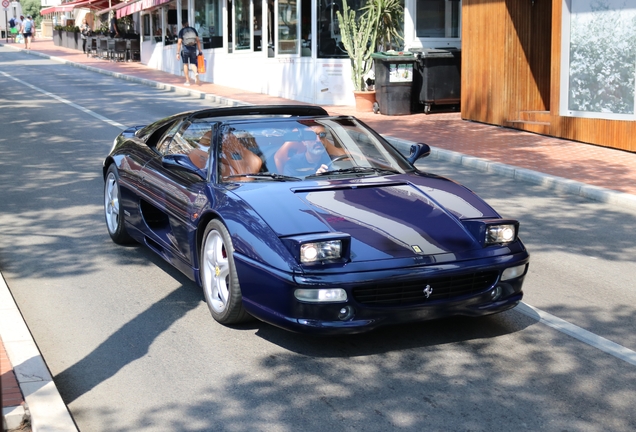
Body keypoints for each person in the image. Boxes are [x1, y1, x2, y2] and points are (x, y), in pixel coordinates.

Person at [176, 20, 202, 86]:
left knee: (185, 64)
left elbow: (179, 43)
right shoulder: (193, 29)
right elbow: (198, 41)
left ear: (182, 25)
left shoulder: (181, 31)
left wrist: (177, 53)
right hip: (193, 49)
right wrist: (200, 51)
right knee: (193, 64)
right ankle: (196, 73)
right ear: (188, 23)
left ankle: (187, 81)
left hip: (185, 50)